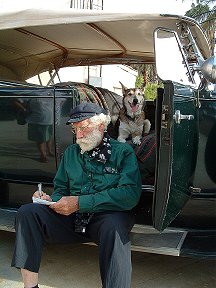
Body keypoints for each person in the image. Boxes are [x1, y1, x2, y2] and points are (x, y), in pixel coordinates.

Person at [11, 102, 142, 288]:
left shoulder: (123, 152)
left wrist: (81, 202)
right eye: (75, 129)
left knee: (114, 227)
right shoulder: (71, 153)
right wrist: (50, 200)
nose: (78, 135)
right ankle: (30, 286)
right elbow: (61, 190)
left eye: (83, 128)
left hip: (106, 218)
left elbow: (129, 195)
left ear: (101, 126)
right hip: (74, 218)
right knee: (28, 212)